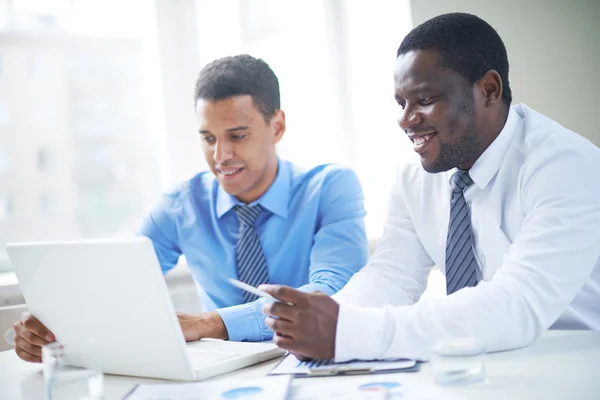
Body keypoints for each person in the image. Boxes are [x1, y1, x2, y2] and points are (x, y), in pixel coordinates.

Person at [260, 12, 600, 362]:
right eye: (401, 103)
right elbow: (392, 275)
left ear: (489, 90)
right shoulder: (416, 176)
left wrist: (349, 332)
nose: (405, 119)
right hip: (480, 368)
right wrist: (328, 318)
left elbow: (518, 305)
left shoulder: (567, 166)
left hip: (573, 367)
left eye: (424, 100)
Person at [13, 54, 369, 363]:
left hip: (314, 363)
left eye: (237, 135)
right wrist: (53, 323)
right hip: (220, 371)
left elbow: (335, 292)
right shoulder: (180, 205)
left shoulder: (330, 188)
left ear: (277, 126)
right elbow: (116, 284)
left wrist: (211, 323)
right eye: (208, 138)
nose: (220, 156)